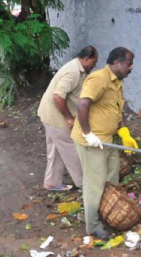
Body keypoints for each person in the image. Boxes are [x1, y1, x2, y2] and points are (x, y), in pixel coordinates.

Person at [70, 47, 139, 239]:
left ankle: (107, 214)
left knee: (112, 178)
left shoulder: (117, 83)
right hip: (91, 141)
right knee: (94, 183)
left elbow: (117, 112)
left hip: (108, 141)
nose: (131, 68)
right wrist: (88, 134)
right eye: (128, 64)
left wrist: (124, 133)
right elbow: (83, 105)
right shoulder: (99, 78)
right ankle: (92, 226)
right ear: (116, 63)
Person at [37, 46, 98, 191]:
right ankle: (85, 185)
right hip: (55, 117)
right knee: (73, 150)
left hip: (48, 114)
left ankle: (52, 182)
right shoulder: (73, 72)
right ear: (86, 59)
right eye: (94, 62)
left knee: (56, 150)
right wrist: (69, 118)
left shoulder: (78, 68)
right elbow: (58, 96)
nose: (94, 65)